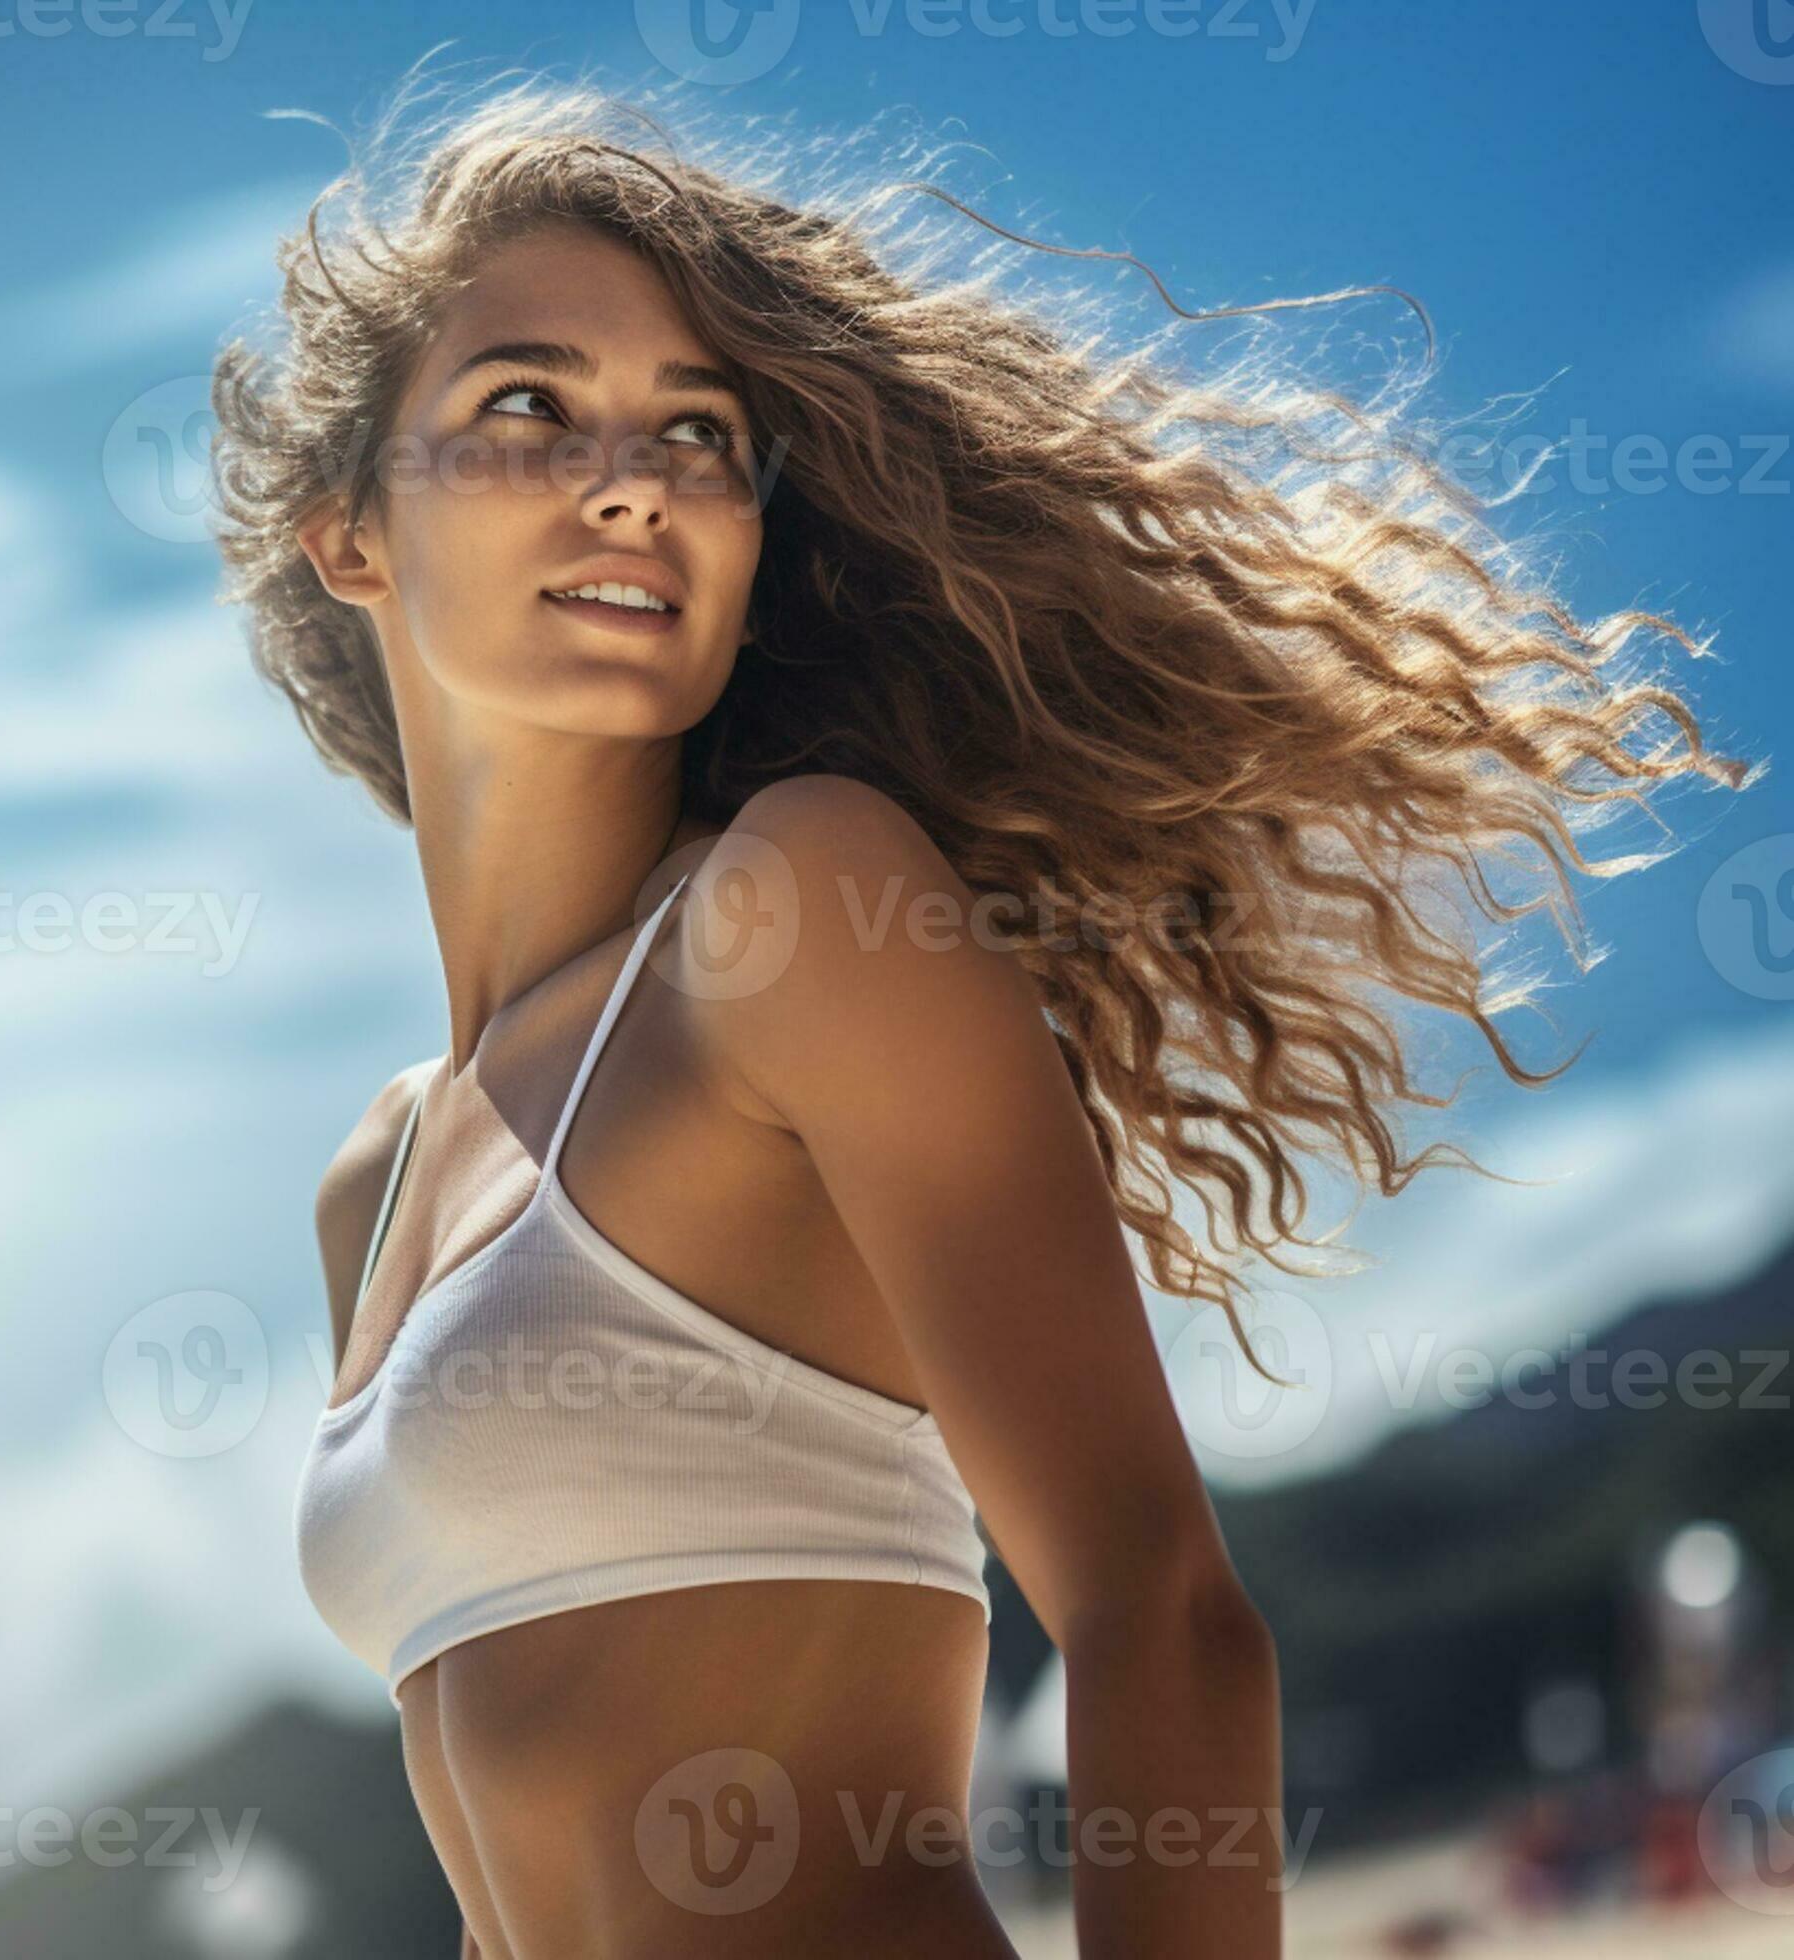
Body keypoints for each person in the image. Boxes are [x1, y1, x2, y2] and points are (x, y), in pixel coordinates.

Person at [210, 77, 1756, 1957]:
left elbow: (1159, 1609)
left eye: (702, 433)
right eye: (525, 404)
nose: (636, 477)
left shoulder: (788, 918)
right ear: (348, 531)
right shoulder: (370, 1187)